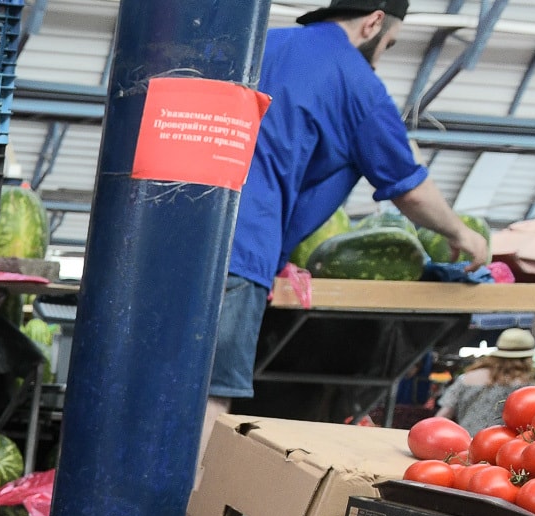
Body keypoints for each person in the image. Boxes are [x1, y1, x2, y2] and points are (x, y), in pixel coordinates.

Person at [206, 0, 492, 446]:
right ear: (374, 22)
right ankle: (172, 514)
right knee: (209, 397)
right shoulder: (359, 86)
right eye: (389, 44)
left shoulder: (257, 44)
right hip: (240, 252)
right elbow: (410, 189)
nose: (381, 55)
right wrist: (461, 232)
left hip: (163, 231)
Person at [438, 328, 535, 433]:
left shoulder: (466, 377)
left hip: (465, 442)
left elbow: (443, 415)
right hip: (500, 443)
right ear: (528, 358)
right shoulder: (524, 385)